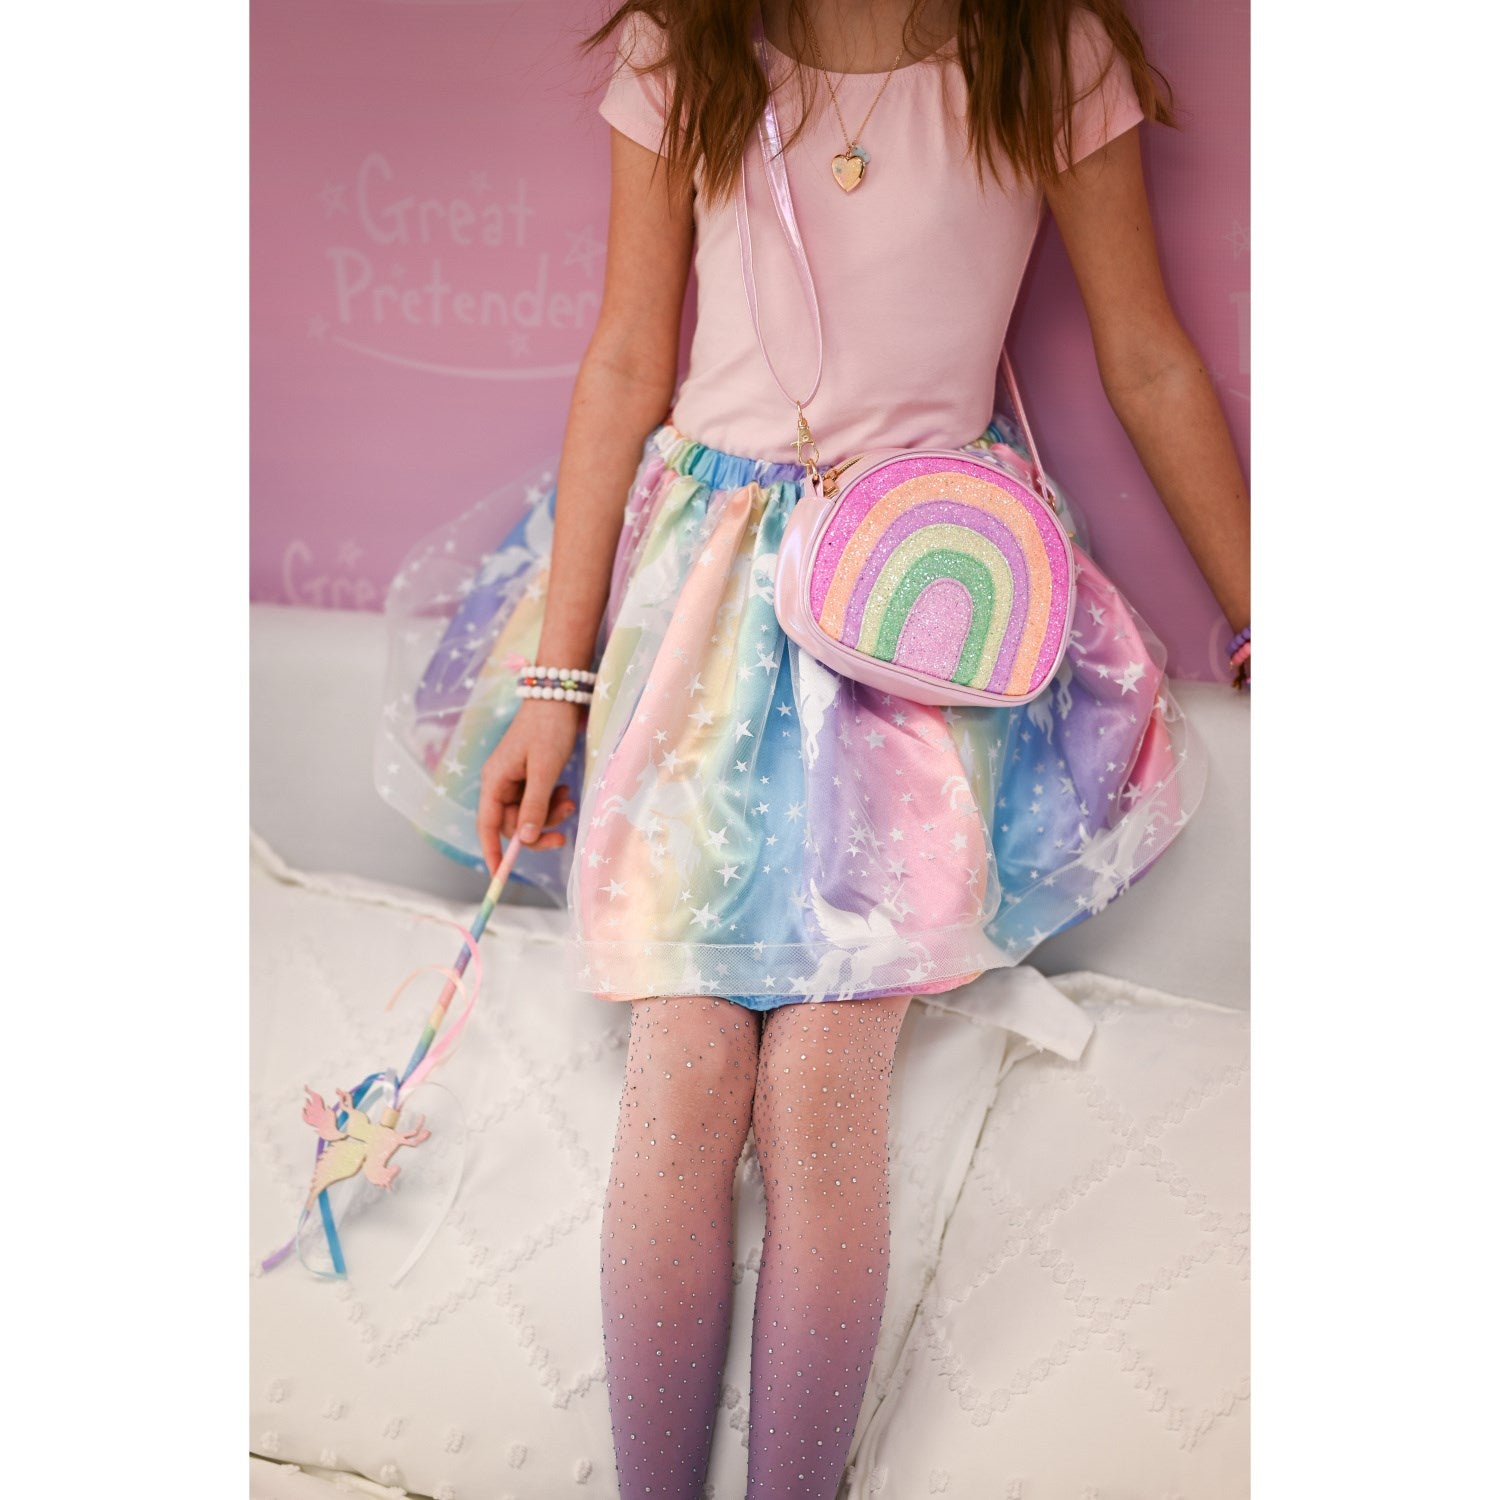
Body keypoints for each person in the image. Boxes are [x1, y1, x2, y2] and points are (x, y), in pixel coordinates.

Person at [375, 0, 1250, 1492]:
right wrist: (556, 683)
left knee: (823, 1082)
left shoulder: (1044, 51)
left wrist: (1259, 618)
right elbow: (626, 360)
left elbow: (1148, 357)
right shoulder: (687, 45)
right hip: (703, 610)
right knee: (685, 1064)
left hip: (919, 602)